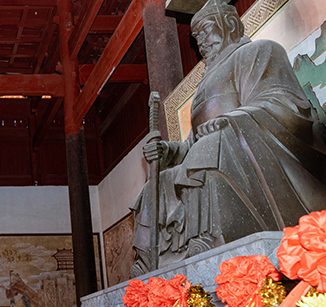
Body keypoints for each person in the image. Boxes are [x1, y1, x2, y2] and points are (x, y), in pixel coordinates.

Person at [131, 0, 326, 274]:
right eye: (196, 37)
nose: (201, 41)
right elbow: (192, 143)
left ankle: (208, 236)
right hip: (218, 147)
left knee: (210, 147)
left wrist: (230, 121)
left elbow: (284, 103)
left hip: (252, 144)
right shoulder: (205, 85)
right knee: (159, 181)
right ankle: (151, 259)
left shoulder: (259, 51)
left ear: (230, 25)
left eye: (206, 31)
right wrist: (167, 152)